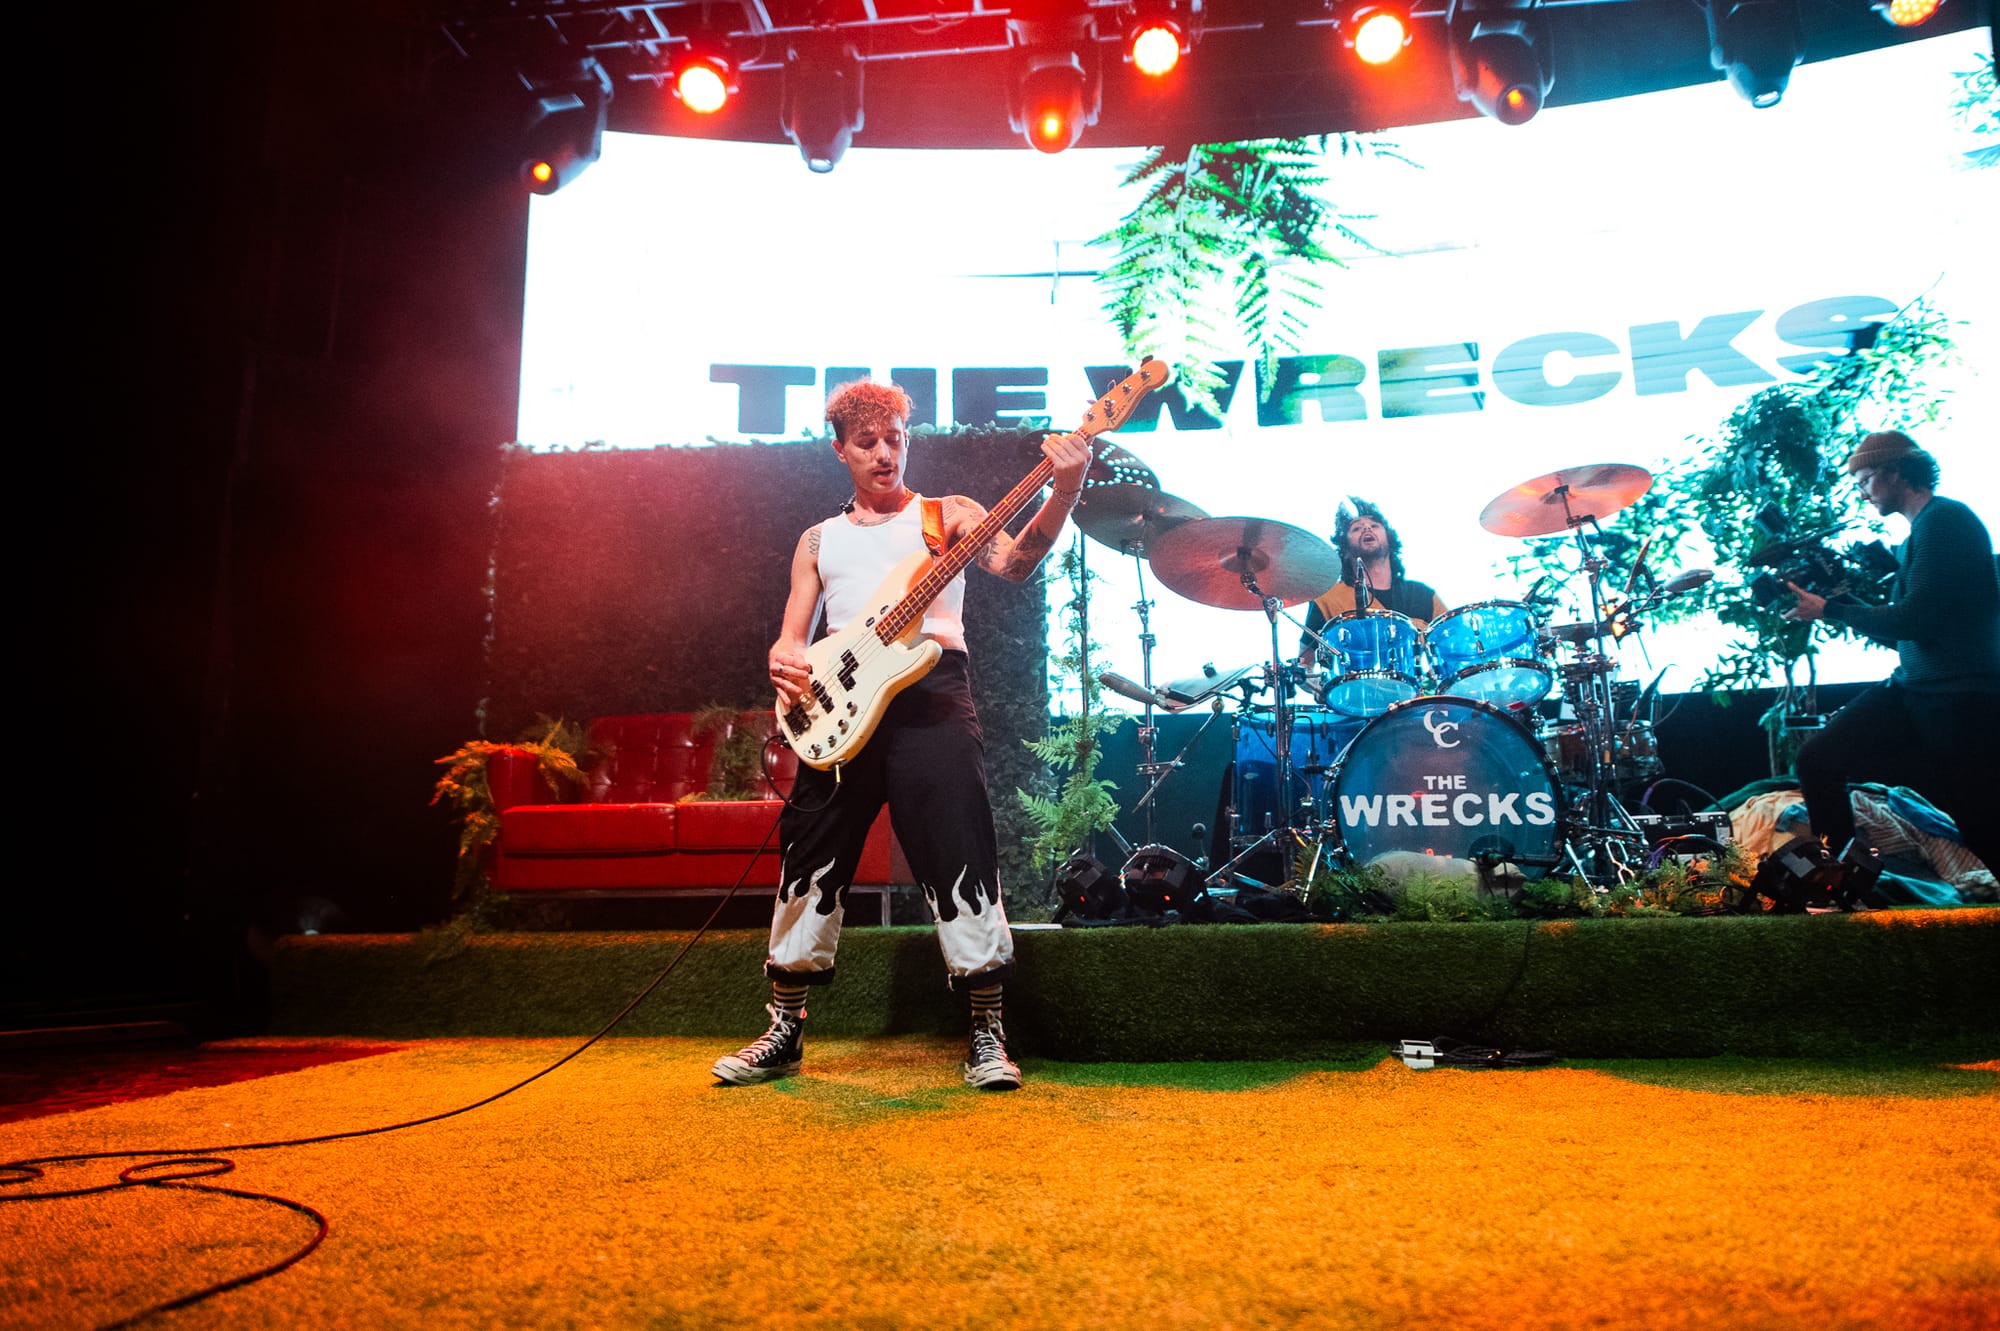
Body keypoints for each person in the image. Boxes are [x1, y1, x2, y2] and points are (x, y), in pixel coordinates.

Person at [712, 379, 1091, 1092]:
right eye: (867, 443)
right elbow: (794, 636)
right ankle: (784, 1029)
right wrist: (783, 657)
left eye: (895, 439)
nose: (885, 454)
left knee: (960, 849)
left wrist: (1064, 491)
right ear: (840, 450)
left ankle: (986, 1032)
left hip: (933, 699)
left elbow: (1014, 564)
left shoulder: (950, 515)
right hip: (839, 705)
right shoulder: (817, 541)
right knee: (809, 855)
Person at [1782, 430, 2000, 874]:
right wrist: (1834, 608)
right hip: (1917, 689)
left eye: (1864, 481)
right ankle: (1839, 880)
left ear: (1896, 472)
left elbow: (1913, 621)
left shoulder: (1945, 521)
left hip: (1958, 697)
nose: (1861, 493)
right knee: (1818, 759)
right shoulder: (1924, 530)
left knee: (1983, 823)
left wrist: (1831, 608)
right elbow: (1909, 634)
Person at [1298, 498, 1448, 665]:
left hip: (1421, 682)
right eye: (1356, 528)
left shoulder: (1423, 595)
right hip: (1356, 681)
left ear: (1390, 541)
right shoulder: (1328, 598)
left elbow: (1455, 641)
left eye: (1374, 525)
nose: (1366, 528)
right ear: (1345, 550)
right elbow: (1305, 662)